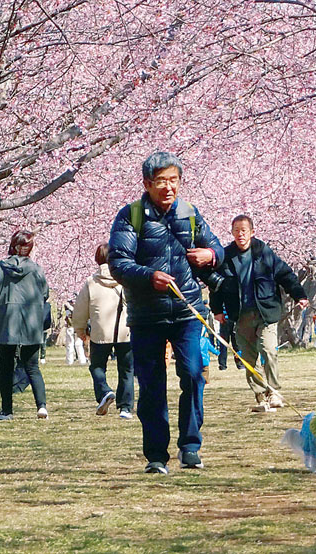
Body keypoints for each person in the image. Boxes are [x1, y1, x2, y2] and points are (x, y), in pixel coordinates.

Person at [108, 151, 223, 474]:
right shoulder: (130, 216)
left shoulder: (190, 213)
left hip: (187, 311)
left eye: (174, 180)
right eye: (161, 181)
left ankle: (190, 447)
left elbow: (218, 248)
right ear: (147, 184)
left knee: (193, 374)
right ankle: (156, 455)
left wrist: (211, 255)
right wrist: (149, 276)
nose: (169, 187)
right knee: (151, 385)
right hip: (147, 315)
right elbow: (118, 263)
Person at [209, 213, 308, 412]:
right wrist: (217, 310)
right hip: (240, 315)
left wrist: (299, 295)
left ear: (252, 232)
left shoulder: (264, 253)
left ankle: (274, 392)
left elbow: (285, 274)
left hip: (265, 312)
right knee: (248, 358)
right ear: (232, 233)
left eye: (244, 231)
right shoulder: (225, 257)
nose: (240, 235)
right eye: (236, 231)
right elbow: (216, 285)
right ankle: (260, 395)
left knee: (268, 349)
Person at [0, 229, 49, 421]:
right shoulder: (36, 269)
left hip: (7, 320)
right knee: (32, 367)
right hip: (31, 322)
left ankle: (6, 410)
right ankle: (41, 406)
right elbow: (45, 293)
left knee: (6, 367)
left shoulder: (1, 267)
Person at [71, 242, 134, 419]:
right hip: (125, 331)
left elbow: (80, 309)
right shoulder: (125, 279)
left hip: (100, 332)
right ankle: (126, 407)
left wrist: (80, 329)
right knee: (127, 369)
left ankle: (104, 391)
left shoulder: (91, 282)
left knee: (97, 366)